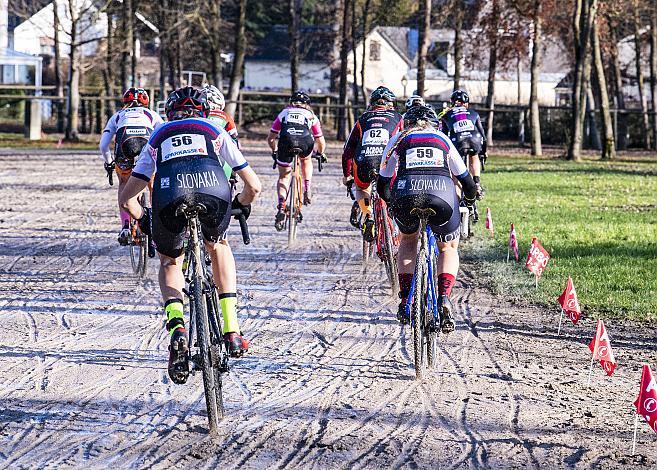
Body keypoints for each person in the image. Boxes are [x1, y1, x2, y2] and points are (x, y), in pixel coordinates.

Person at [119, 86, 261, 384]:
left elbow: (127, 199)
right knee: (219, 245)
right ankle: (232, 330)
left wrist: (145, 220)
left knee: (170, 262)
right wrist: (239, 204)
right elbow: (254, 186)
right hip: (213, 190)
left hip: (170, 194)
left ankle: (178, 329)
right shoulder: (213, 130)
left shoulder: (158, 135)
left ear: (168, 114)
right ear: (203, 112)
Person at [377, 105, 476, 333]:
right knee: (448, 248)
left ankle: (405, 301)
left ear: (406, 123)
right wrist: (469, 200)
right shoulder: (442, 138)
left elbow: (383, 183)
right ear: (434, 123)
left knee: (408, 241)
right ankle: (444, 297)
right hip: (441, 194)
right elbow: (466, 179)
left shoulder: (398, 140)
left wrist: (392, 203)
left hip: (406, 194)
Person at [99, 87, 164, 247]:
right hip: (146, 146)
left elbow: (103, 145)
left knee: (124, 184)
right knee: (153, 185)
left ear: (125, 102)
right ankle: (158, 228)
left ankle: (125, 227)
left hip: (124, 148)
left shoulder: (118, 116)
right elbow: (164, 135)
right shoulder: (152, 115)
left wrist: (109, 162)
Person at [342, 86, 403, 241]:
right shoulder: (398, 117)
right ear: (391, 104)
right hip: (387, 163)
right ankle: (395, 225)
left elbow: (348, 149)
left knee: (362, 189)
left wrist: (347, 174)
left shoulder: (362, 119)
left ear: (372, 104)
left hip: (364, 162)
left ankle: (368, 214)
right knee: (395, 190)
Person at [267, 91, 326, 230]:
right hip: (305, 140)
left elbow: (270, 137)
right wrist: (320, 153)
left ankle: (281, 205)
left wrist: (274, 150)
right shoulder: (311, 115)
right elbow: (320, 141)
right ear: (307, 105)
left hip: (286, 141)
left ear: (290, 102)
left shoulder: (284, 113)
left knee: (284, 176)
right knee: (306, 160)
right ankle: (307, 187)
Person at [440, 89, 487, 199]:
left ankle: (457, 200)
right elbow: (483, 136)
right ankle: (477, 183)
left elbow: (444, 136)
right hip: (474, 139)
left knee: (456, 174)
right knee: (474, 155)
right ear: (466, 103)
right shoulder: (474, 113)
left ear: (452, 103)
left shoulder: (446, 115)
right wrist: (484, 152)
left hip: (457, 140)